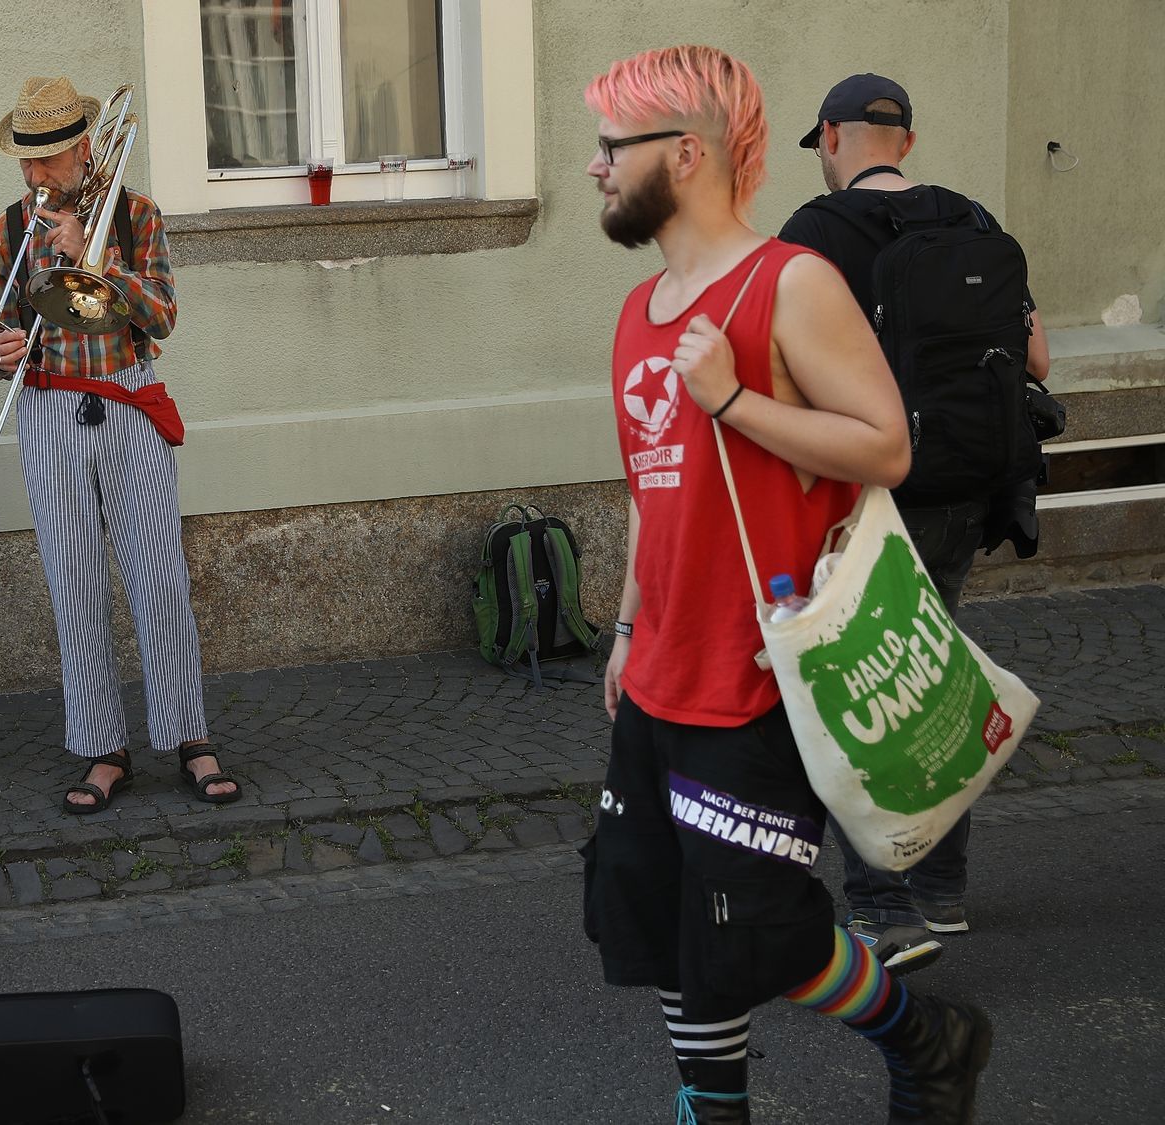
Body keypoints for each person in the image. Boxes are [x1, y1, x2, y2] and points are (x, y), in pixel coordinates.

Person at [582, 47, 990, 1122]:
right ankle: (711, 1111)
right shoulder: (638, 310)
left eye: (609, 147)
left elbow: (884, 446)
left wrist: (731, 401)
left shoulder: (788, 282)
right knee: (663, 912)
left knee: (758, 928)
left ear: (684, 154)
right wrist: (625, 629)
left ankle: (923, 1035)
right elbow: (648, 491)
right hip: (662, 666)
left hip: (762, 674)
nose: (593, 168)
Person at [779, 74, 1052, 971]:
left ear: (830, 137)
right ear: (908, 138)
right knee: (935, 676)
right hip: (969, 488)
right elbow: (1036, 355)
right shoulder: (972, 220)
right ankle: (943, 889)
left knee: (866, 685)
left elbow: (781, 372)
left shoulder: (815, 234)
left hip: (867, 493)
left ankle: (883, 906)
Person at [0, 77, 239, 813]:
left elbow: (162, 315)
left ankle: (189, 735)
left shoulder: (138, 216)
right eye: (26, 162)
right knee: (74, 585)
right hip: (50, 409)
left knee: (160, 578)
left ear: (85, 148)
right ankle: (103, 747)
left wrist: (96, 265)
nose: (35, 176)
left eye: (48, 161)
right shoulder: (6, 228)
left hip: (129, 402)